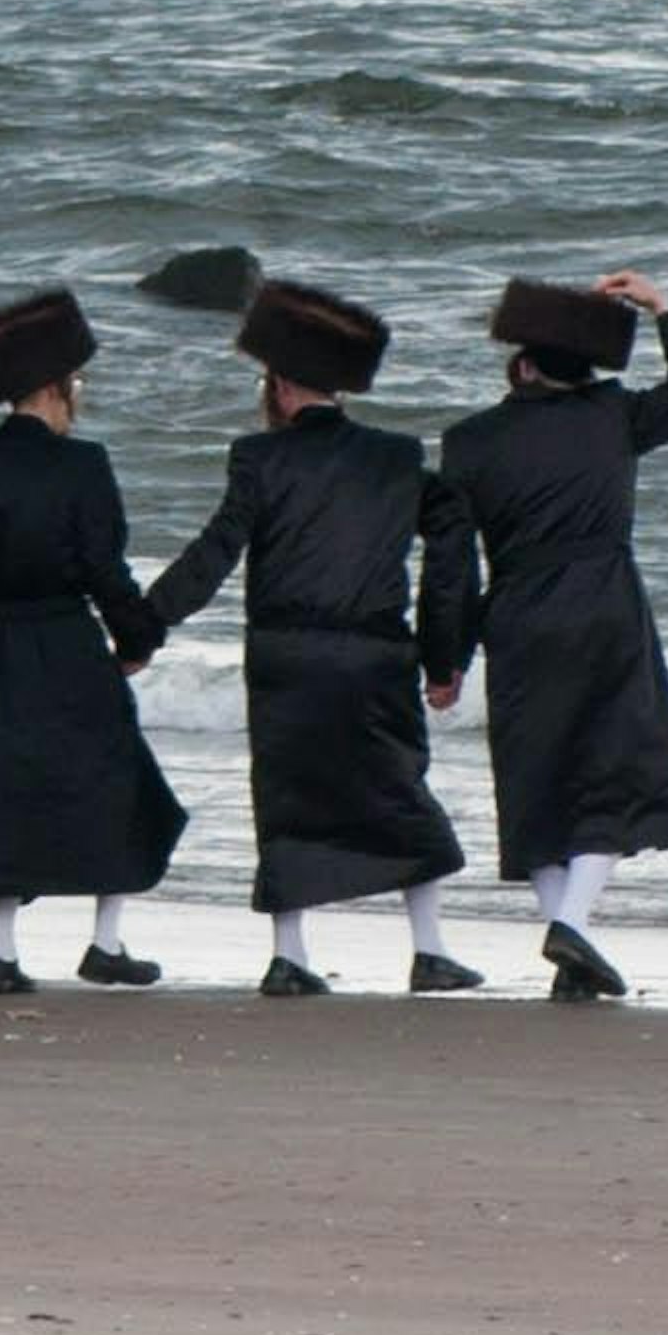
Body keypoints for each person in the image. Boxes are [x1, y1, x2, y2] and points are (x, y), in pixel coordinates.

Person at [144, 280, 484, 998]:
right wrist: (443, 655)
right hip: (373, 656)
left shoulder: (257, 459)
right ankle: (429, 952)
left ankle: (289, 958)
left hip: (283, 658)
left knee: (287, 801)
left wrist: (145, 624)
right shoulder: (396, 459)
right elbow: (452, 552)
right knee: (400, 797)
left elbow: (214, 552)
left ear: (281, 384)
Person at [440, 273, 668, 1003]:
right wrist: (665, 309)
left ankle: (569, 939)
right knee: (612, 775)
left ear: (522, 365)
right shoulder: (613, 417)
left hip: (518, 617)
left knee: (534, 782)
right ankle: (571, 928)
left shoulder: (468, 443)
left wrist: (445, 658)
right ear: (586, 370)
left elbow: (449, 568)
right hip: (605, 608)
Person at [0, 289, 188, 993]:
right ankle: (105, 943)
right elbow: (105, 570)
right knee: (115, 782)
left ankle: (0, 953)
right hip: (67, 641)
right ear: (55, 387)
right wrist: (138, 637)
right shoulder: (83, 465)